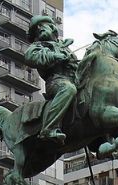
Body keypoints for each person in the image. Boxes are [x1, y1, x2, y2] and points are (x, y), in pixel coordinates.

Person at [24, 15, 79, 143]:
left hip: (75, 80)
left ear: (53, 29)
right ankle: (49, 128)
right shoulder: (38, 46)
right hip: (56, 81)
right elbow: (31, 57)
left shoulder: (64, 46)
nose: (39, 30)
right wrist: (55, 56)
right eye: (37, 30)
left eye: (42, 27)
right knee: (68, 89)